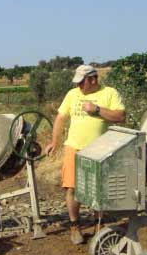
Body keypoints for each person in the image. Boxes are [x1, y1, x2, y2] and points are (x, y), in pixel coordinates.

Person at [45, 65, 125, 245]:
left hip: (100, 150)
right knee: (72, 188)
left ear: (93, 79)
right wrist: (54, 143)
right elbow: (60, 118)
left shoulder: (110, 93)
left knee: (98, 189)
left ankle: (99, 226)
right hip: (74, 148)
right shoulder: (72, 95)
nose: (79, 86)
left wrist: (97, 110)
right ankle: (75, 227)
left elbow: (121, 116)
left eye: (82, 82)